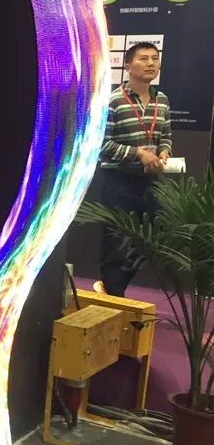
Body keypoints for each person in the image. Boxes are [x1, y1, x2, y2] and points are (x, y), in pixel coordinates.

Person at [94, 41, 173, 296]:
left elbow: (165, 136)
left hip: (149, 182)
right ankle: (113, 294)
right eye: (143, 58)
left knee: (152, 239)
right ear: (128, 66)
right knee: (117, 241)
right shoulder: (113, 100)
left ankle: (110, 286)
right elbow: (101, 144)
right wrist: (138, 153)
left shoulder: (162, 100)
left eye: (154, 58)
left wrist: (164, 151)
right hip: (118, 181)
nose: (150, 63)